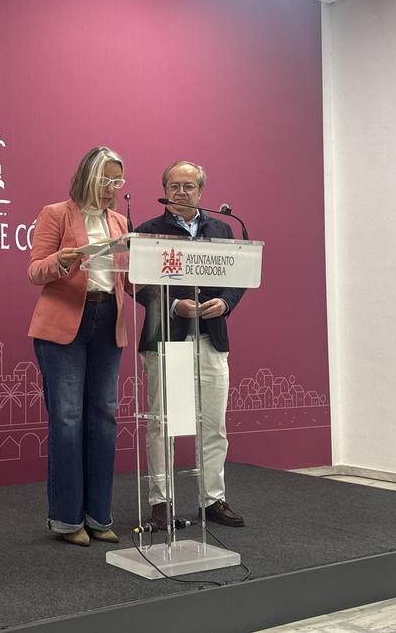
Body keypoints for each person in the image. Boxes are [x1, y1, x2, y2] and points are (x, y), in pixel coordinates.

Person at [27, 146, 131, 547]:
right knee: (68, 420)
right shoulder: (56, 214)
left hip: (108, 322)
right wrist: (64, 260)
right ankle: (68, 520)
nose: (114, 188)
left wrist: (152, 271)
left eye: (119, 181)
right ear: (89, 177)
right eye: (108, 179)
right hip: (64, 326)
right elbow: (35, 271)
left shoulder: (121, 222)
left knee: (104, 417)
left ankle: (99, 516)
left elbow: (128, 281)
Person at [136, 161, 246, 528]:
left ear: (201, 191)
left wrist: (226, 302)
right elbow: (136, 284)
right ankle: (161, 501)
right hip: (168, 338)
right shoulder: (149, 231)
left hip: (212, 337)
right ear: (164, 189)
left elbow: (238, 276)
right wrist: (170, 304)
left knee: (214, 424)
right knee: (163, 423)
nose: (181, 192)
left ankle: (212, 499)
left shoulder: (222, 228)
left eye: (189, 186)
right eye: (174, 185)